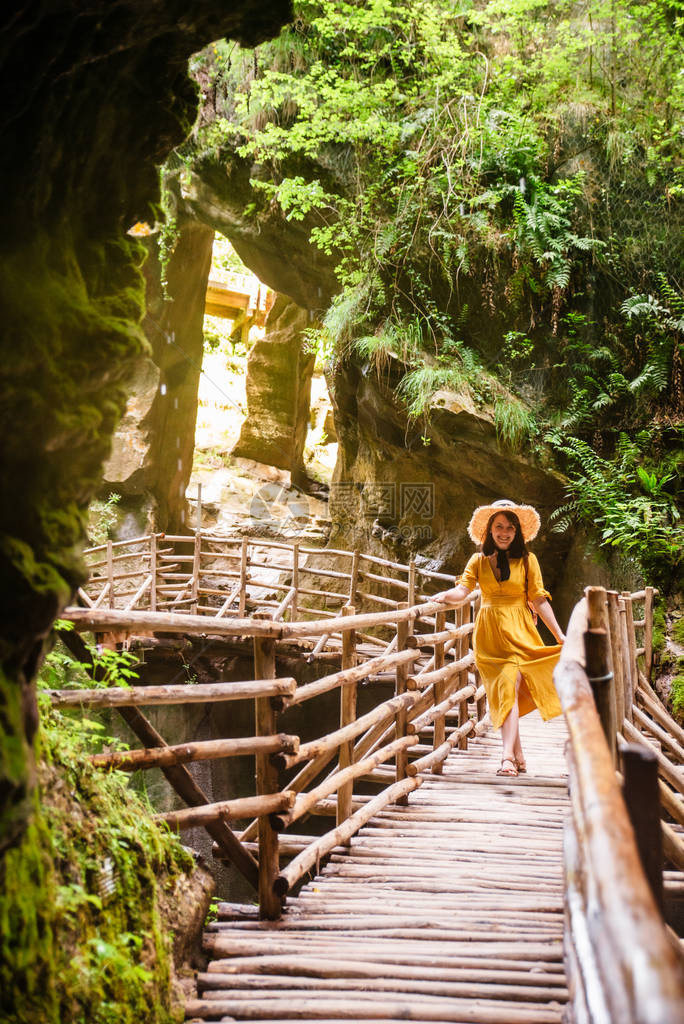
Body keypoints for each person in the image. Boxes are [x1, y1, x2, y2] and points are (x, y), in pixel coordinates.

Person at [434, 499, 565, 778]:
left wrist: (559, 635)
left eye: (509, 528)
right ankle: (516, 754)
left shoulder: (529, 560)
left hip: (520, 632)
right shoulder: (478, 560)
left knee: (511, 685)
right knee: (507, 690)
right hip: (490, 637)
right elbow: (462, 592)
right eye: (499, 527)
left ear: (517, 532)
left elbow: (539, 600)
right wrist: (444, 596)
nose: (504, 532)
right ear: (489, 531)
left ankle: (506, 757)